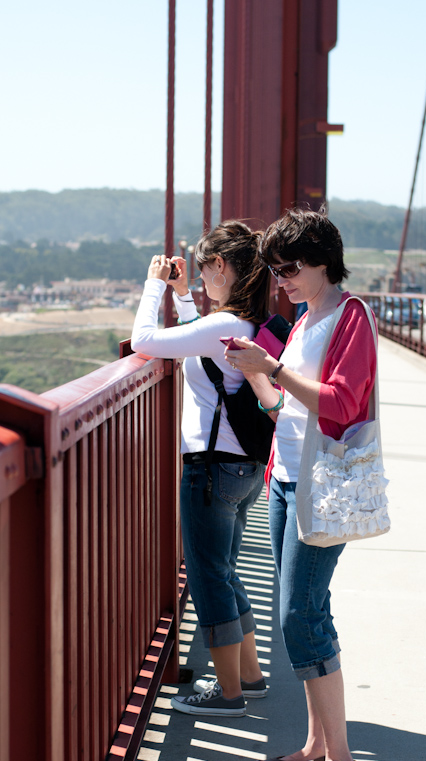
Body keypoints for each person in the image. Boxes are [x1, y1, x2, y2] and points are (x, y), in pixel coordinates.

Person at [225, 208, 375, 761]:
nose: (279, 279)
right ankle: (315, 744)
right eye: (273, 269)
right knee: (301, 611)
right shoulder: (304, 319)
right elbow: (283, 408)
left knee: (301, 616)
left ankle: (341, 757)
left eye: (288, 268)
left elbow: (340, 403)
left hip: (320, 483)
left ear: (321, 260)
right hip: (285, 479)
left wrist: (275, 368)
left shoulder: (349, 317)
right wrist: (257, 373)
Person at [131, 221, 275, 717]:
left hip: (210, 471)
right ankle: (251, 678)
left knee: (209, 575)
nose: (200, 276)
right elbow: (204, 342)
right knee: (225, 570)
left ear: (218, 267)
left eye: (202, 269)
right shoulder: (244, 324)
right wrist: (185, 297)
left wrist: (154, 284)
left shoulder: (222, 328)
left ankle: (229, 693)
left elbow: (143, 340)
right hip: (242, 469)